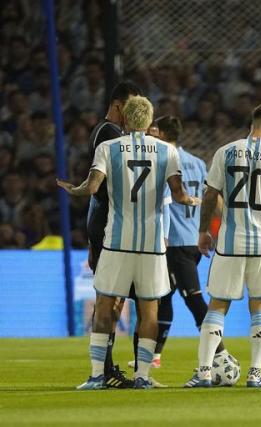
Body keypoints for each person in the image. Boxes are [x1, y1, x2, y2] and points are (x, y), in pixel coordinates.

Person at [58, 95, 200, 389]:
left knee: (105, 305)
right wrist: (192, 199)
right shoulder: (167, 152)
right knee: (150, 310)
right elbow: (178, 193)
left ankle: (97, 375)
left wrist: (74, 190)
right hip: (151, 246)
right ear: (149, 121)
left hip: (117, 242)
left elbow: (93, 186)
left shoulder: (108, 148)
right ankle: (143, 376)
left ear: (125, 117)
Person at [184, 104, 261, 388]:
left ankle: (204, 372)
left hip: (229, 243)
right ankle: (255, 374)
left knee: (217, 306)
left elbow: (211, 195)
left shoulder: (224, 152)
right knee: (260, 305)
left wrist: (202, 231)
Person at [141, 116, 229, 369]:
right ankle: (155, 355)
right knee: (165, 297)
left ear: (161, 133)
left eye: (153, 131)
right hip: (194, 239)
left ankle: (220, 356)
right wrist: (222, 225)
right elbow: (212, 197)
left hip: (174, 242)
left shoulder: (162, 161)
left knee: (193, 298)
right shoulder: (198, 162)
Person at [86, 81, 142, 388]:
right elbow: (100, 189)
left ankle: (105, 368)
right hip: (110, 226)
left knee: (113, 297)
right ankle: (104, 370)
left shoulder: (108, 134)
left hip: (107, 226)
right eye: (131, 107)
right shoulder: (109, 135)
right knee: (110, 298)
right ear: (118, 105)